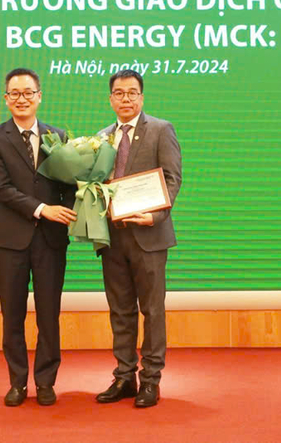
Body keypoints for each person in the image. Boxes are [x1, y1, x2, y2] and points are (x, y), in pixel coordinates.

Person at [0, 68, 77, 407]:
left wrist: (71, 210)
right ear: (6, 99)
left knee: (49, 314)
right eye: (15, 93)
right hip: (10, 240)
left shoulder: (59, 137)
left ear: (39, 96)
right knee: (13, 314)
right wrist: (42, 209)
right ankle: (18, 382)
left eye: (28, 92)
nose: (22, 99)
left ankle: (46, 381)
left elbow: (68, 186)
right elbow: (2, 189)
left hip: (51, 240)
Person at [95, 69, 182, 408]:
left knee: (152, 310)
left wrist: (155, 215)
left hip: (149, 234)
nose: (126, 99)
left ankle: (151, 380)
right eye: (119, 93)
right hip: (113, 237)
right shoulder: (101, 137)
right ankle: (124, 376)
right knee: (120, 311)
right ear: (111, 99)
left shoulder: (161, 130)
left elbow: (173, 179)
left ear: (142, 97)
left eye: (132, 93)